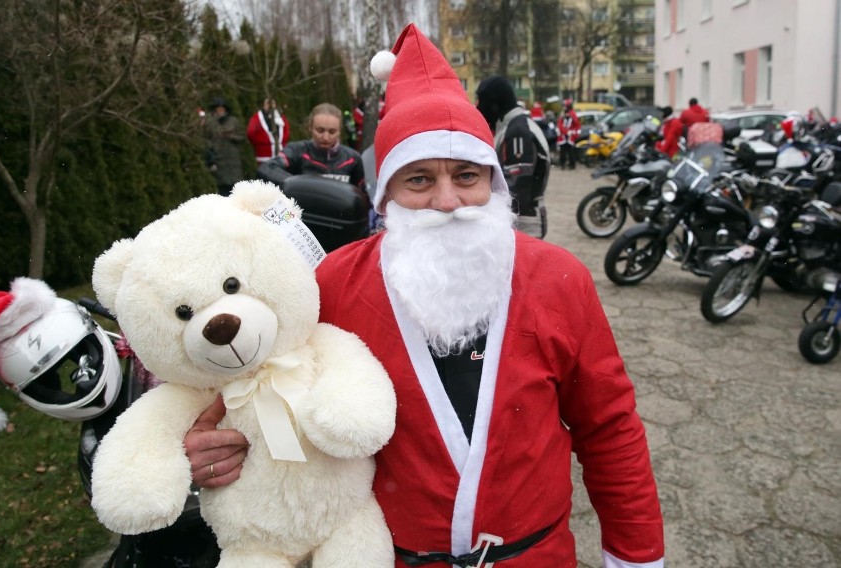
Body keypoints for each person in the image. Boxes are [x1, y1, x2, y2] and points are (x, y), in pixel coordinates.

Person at [184, 23, 664, 568]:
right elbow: (257, 387)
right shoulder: (333, 286)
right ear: (385, 194)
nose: (447, 200)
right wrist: (211, 443)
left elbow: (610, 426)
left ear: (494, 183)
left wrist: (636, 555)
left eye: (466, 175)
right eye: (418, 179)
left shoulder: (559, 279)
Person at [476, 75, 551, 239]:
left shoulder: (518, 131)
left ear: (495, 103)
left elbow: (516, 189)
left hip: (524, 222)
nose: (478, 107)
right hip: (518, 218)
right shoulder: (513, 125)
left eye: (481, 101)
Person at [256, 103, 367, 204]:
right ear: (310, 127)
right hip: (303, 217)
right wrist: (295, 183)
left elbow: (363, 195)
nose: (325, 137)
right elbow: (267, 168)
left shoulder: (352, 158)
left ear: (340, 131)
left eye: (332, 132)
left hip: (338, 219)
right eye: (320, 130)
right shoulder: (297, 151)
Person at [203, 97, 245, 197]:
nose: (220, 111)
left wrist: (231, 136)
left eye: (222, 109)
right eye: (218, 109)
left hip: (233, 160)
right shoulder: (210, 123)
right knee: (222, 189)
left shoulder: (233, 121)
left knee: (235, 189)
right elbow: (206, 139)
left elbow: (242, 136)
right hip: (218, 159)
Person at [246, 98, 286, 164]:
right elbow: (251, 133)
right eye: (268, 104)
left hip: (280, 152)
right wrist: (260, 143)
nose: (270, 106)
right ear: (264, 105)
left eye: (272, 104)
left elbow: (286, 132)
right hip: (263, 154)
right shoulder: (257, 118)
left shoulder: (281, 118)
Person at [556, 99, 581, 169]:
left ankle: (572, 165)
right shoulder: (562, 116)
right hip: (563, 137)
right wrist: (566, 132)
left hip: (570, 137)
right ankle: (563, 165)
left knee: (570, 152)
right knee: (562, 152)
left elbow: (577, 125)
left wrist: (573, 133)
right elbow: (560, 125)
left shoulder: (573, 114)